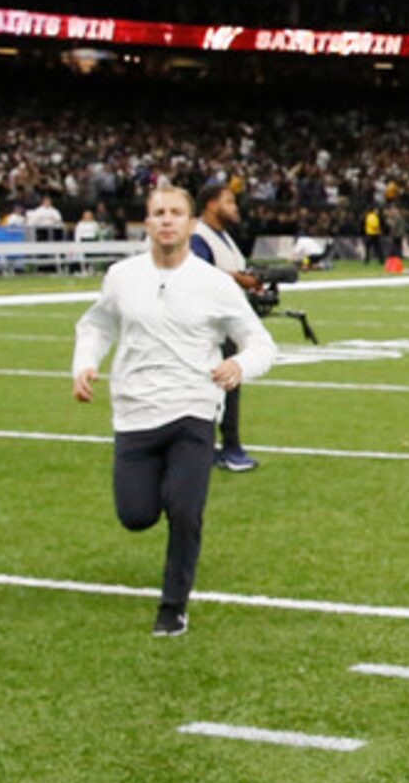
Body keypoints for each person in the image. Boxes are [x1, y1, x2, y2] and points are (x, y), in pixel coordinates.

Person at [72, 182, 277, 634]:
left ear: (189, 223)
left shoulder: (214, 284)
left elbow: (260, 342)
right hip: (135, 412)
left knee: (185, 511)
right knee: (136, 515)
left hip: (193, 409)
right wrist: (85, 364)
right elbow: (96, 325)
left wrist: (240, 365)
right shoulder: (122, 276)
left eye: (175, 213)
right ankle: (164, 490)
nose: (166, 220)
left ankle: (173, 607)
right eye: (158, 212)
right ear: (147, 223)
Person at [191, 174, 266, 473]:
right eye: (229, 201)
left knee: (228, 384)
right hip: (208, 325)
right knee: (217, 385)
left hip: (226, 322)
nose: (235, 207)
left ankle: (225, 445)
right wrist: (240, 279)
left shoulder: (221, 234)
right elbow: (199, 273)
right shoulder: (199, 235)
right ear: (211, 205)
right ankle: (219, 447)